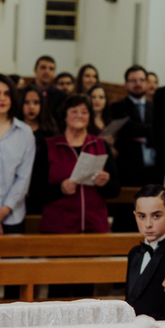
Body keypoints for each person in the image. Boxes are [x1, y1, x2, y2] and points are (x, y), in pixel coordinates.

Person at [33, 93, 119, 233]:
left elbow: (115, 189)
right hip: (58, 228)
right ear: (65, 116)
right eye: (74, 111)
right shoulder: (49, 146)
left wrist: (106, 183)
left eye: (84, 112)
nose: (79, 115)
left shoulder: (101, 145)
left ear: (89, 117)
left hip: (96, 227)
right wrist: (60, 188)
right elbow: (36, 191)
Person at [0, 74, 35, 235]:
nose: (2, 98)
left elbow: (23, 177)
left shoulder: (25, 132)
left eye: (7, 93)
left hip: (12, 215)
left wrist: (2, 212)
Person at [125, 184, 165, 320]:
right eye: (142, 216)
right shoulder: (134, 253)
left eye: (156, 216)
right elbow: (131, 299)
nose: (148, 224)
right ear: (135, 215)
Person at [109, 64, 158, 187]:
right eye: (133, 80)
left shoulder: (155, 107)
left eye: (141, 80)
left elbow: (161, 133)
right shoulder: (117, 107)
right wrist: (151, 132)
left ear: (147, 83)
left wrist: (145, 136)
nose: (138, 83)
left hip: (153, 170)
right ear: (125, 84)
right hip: (128, 170)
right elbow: (129, 129)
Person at [20, 84, 58, 216]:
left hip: (42, 190)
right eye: (27, 102)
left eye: (36, 102)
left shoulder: (49, 132)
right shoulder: (14, 130)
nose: (31, 107)